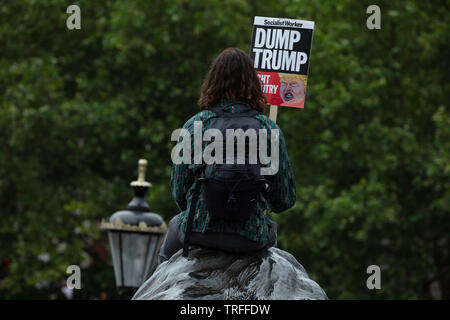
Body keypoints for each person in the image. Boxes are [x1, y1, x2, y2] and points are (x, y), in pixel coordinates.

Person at [158, 48, 296, 263]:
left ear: (212, 81)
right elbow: (284, 199)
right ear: (254, 83)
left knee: (165, 257)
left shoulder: (196, 124)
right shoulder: (268, 128)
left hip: (200, 232)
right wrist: (258, 201)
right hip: (252, 237)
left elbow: (179, 192)